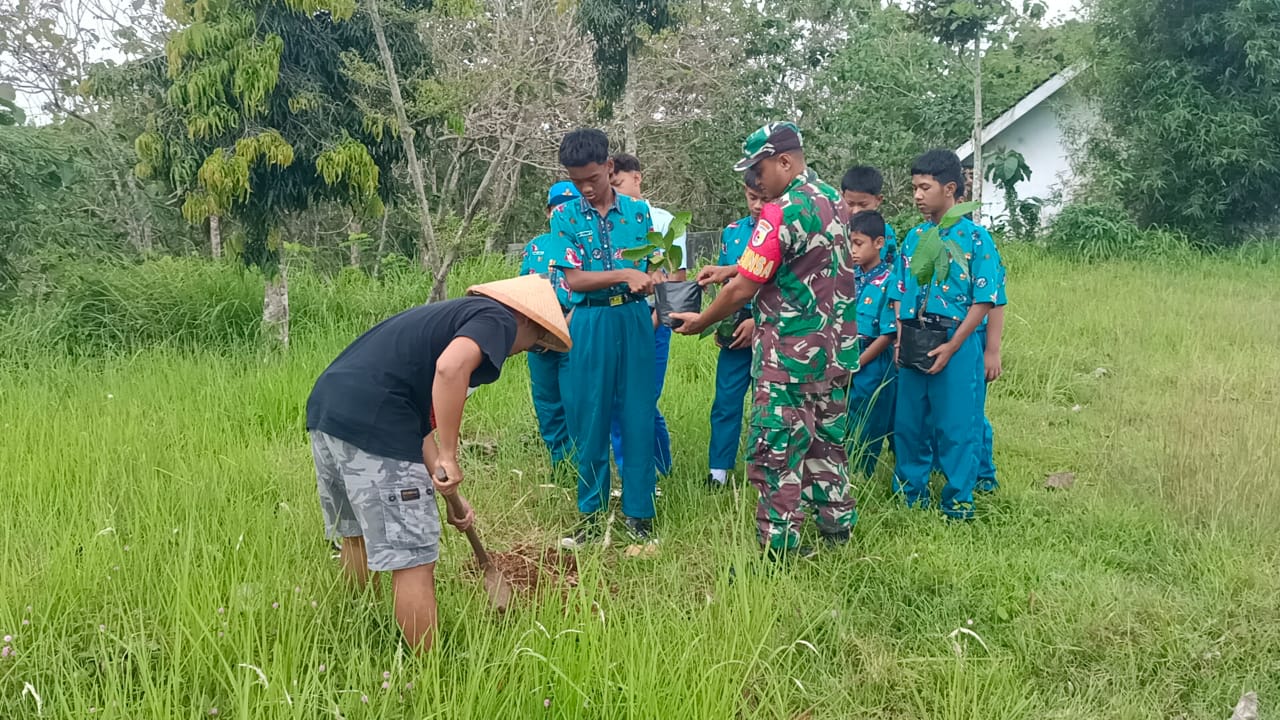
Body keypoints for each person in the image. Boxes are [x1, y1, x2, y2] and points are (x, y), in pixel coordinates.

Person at [305, 275, 571, 652]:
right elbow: (450, 368)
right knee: (414, 560)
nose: (528, 349)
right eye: (537, 341)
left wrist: (449, 491)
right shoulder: (497, 319)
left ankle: (358, 631)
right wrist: (449, 453)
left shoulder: (449, 319)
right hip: (377, 420)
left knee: (356, 535)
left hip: (330, 413)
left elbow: (416, 427)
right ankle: (428, 671)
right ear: (525, 319)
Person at [673, 121, 858, 558]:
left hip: (788, 358)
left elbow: (742, 291)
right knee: (826, 445)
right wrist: (730, 268)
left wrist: (702, 322)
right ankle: (837, 531)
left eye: (758, 169)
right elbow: (799, 261)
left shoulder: (780, 210)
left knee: (777, 452)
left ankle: (778, 550)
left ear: (785, 161)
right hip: (832, 351)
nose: (755, 181)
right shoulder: (832, 199)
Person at [545, 128, 665, 546]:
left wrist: (653, 279)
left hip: (633, 319)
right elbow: (575, 278)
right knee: (590, 416)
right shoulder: (565, 217)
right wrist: (624, 274)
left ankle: (639, 514)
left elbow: (655, 264)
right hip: (590, 321)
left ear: (610, 167)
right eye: (576, 180)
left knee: (638, 413)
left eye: (593, 178)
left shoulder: (638, 213)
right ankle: (591, 517)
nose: (586, 188)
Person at [889, 149, 1002, 520]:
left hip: (957, 338)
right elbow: (900, 289)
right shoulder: (916, 237)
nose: (917, 196)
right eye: (915, 188)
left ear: (950, 188)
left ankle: (958, 500)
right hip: (914, 335)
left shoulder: (975, 239)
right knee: (910, 422)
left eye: (925, 187)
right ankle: (910, 493)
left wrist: (955, 345)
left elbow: (985, 299)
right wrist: (901, 337)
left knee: (957, 424)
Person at [607, 153, 687, 480]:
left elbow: (677, 281)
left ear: (637, 178)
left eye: (618, 183)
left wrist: (652, 322)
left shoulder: (665, 223)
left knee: (643, 400)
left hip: (653, 322)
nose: (614, 192)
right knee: (616, 400)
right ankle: (631, 473)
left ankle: (657, 471)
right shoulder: (609, 223)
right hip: (618, 321)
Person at [704, 167, 768, 488]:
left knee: (765, 405)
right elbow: (727, 285)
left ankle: (763, 472)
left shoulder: (780, 233)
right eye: (752, 197)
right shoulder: (733, 232)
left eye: (763, 198)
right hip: (735, 330)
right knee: (726, 400)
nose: (757, 205)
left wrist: (757, 322)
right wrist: (720, 322)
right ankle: (718, 472)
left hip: (770, 327)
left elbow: (783, 284)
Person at [520, 181, 581, 470]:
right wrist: (535, 332)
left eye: (569, 207)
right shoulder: (536, 247)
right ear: (548, 212)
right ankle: (561, 465)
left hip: (576, 331)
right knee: (547, 401)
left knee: (576, 399)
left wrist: (566, 324)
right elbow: (523, 289)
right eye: (557, 207)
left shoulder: (586, 245)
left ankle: (584, 464)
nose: (562, 212)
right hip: (539, 334)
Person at [843, 210, 898, 477]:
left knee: (869, 418)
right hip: (844, 354)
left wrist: (856, 364)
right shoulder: (847, 277)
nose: (852, 250)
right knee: (843, 415)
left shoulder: (889, 281)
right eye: (850, 243)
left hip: (873, 359)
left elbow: (887, 334)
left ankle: (861, 475)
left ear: (878, 243)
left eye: (858, 243)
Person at [840, 165, 898, 262]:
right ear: (842, 198)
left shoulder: (885, 231)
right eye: (850, 204)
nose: (856, 211)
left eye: (863, 205)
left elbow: (892, 264)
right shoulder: (836, 229)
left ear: (878, 200)